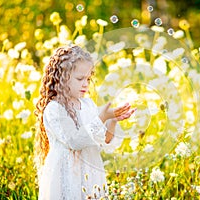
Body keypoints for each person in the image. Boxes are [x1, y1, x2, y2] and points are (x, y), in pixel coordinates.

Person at [34, 45, 136, 199]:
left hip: (90, 174)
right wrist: (101, 118)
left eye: (88, 78)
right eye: (80, 78)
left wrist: (112, 120)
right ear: (62, 77)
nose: (86, 84)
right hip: (65, 175)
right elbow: (74, 141)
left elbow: (105, 140)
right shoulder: (55, 109)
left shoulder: (88, 105)